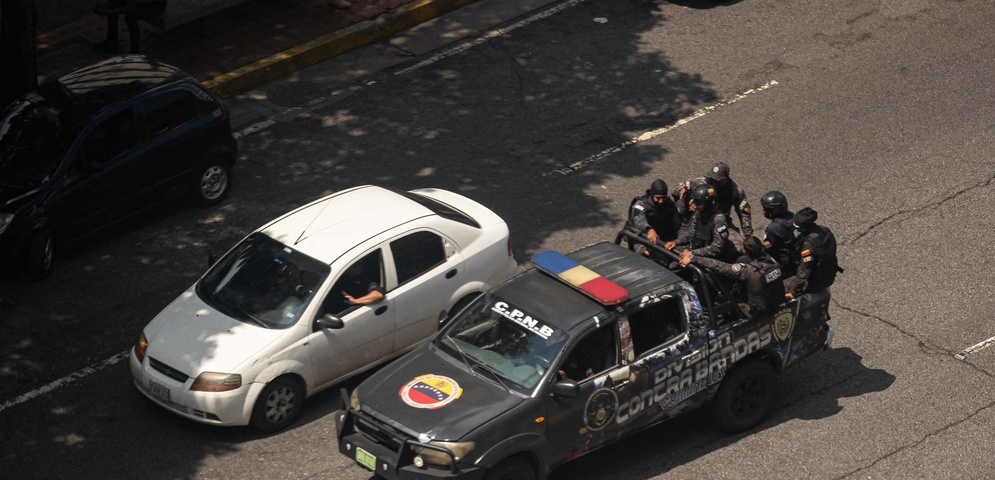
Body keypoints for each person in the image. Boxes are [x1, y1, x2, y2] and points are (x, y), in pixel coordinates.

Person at [680, 236, 785, 317]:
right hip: (777, 301)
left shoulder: (747, 271)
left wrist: (694, 258)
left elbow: (720, 266)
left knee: (728, 306)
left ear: (745, 251)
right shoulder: (772, 260)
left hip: (759, 311)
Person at [672, 162, 754, 249]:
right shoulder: (699, 182)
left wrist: (748, 236)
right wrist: (685, 194)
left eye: (717, 181)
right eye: (711, 178)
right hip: (699, 219)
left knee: (740, 248)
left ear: (725, 180)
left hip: (722, 222)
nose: (713, 182)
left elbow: (744, 213)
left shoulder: (735, 191)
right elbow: (676, 191)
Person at [666, 184, 738, 263]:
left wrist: (692, 253)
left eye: (699, 203)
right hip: (695, 253)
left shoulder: (719, 220)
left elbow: (716, 248)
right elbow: (690, 233)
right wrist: (676, 242)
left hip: (710, 261)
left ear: (708, 204)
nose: (695, 205)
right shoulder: (698, 214)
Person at [784, 207, 840, 299]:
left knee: (779, 286)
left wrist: (794, 291)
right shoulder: (825, 230)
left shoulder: (808, 246)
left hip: (817, 281)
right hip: (830, 272)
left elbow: (803, 273)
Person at [625, 179, 682, 256]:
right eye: (658, 198)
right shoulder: (640, 205)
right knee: (645, 256)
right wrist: (649, 230)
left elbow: (676, 223)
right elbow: (639, 220)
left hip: (662, 238)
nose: (661, 201)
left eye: (663, 198)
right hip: (641, 238)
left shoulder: (669, 204)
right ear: (652, 195)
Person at [92, 0, 167, 54]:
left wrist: (107, 12)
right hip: (140, 2)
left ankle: (135, 52)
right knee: (113, 6)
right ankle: (112, 39)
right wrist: (105, 6)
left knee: (130, 17)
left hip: (155, 4)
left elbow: (130, 8)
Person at [760, 190, 800, 277]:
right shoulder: (792, 216)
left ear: (773, 211)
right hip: (798, 256)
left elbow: (768, 249)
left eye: (765, 209)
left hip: (786, 265)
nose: (763, 211)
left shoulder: (773, 228)